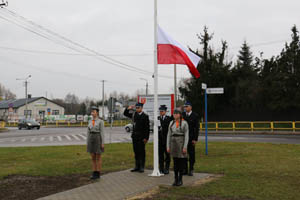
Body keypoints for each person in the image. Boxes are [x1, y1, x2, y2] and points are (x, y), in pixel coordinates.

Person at [124, 103, 150, 173]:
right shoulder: (134, 114)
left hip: (141, 137)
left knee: (141, 152)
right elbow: (125, 114)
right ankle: (137, 166)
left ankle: (142, 166)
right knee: (136, 152)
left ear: (141, 108)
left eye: (138, 107)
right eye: (136, 107)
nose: (137, 109)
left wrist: (146, 138)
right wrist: (127, 108)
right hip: (135, 136)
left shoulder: (145, 116)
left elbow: (147, 128)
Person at [167, 109, 189, 186]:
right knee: (175, 162)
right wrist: (168, 146)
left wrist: (185, 147)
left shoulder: (184, 123)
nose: (175, 115)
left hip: (181, 143)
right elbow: (168, 135)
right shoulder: (171, 123)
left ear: (180, 115)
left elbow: (186, 136)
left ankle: (180, 179)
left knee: (181, 162)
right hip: (173, 143)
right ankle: (175, 179)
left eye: (176, 114)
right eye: (174, 114)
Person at [87, 106, 105, 180]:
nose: (92, 113)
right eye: (92, 112)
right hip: (91, 138)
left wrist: (102, 143)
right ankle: (94, 172)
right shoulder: (90, 121)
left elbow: (102, 133)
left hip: (98, 138)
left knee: (98, 156)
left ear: (97, 113)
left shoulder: (100, 121)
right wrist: (87, 142)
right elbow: (88, 132)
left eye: (93, 112)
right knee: (93, 157)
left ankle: (98, 172)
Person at [182, 102, 200, 176]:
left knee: (191, 154)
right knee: (184, 154)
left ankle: (191, 169)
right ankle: (185, 169)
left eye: (187, 106)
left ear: (190, 107)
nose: (185, 108)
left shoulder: (195, 115)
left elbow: (196, 128)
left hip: (191, 138)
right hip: (183, 138)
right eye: (185, 107)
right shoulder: (183, 115)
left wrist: (195, 139)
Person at [158, 105, 172, 174]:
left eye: (162, 111)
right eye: (160, 111)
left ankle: (167, 168)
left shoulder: (169, 119)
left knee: (167, 155)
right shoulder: (157, 118)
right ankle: (161, 168)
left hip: (166, 139)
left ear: (165, 111)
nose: (161, 112)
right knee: (160, 155)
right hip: (160, 140)